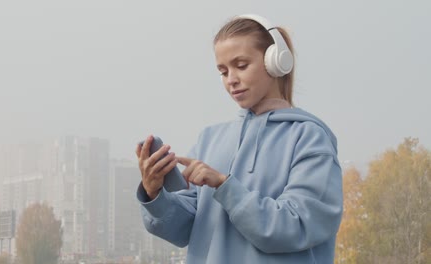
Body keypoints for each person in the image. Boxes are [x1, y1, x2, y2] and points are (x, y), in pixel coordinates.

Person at [135, 14, 343, 264]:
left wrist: (224, 186)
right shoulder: (209, 140)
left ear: (275, 63)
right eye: (223, 71)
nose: (231, 79)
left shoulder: (310, 139)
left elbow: (294, 226)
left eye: (241, 65)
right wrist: (154, 192)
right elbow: (184, 229)